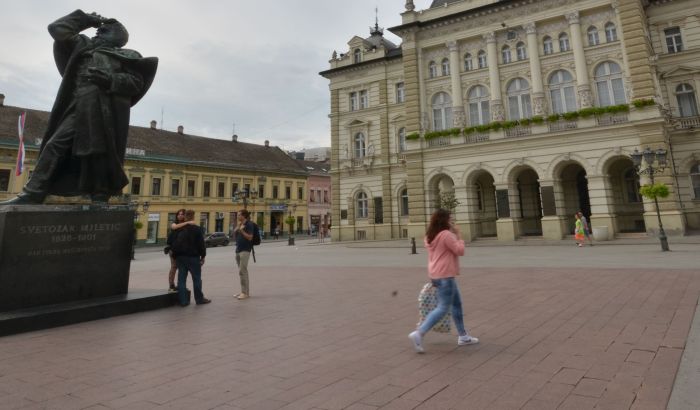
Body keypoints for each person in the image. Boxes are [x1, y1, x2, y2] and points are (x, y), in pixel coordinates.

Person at [1, 9, 157, 205]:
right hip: (77, 103)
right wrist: (87, 19)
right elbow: (57, 29)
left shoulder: (127, 55)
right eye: (98, 31)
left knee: (98, 151)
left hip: (103, 107)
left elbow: (135, 83)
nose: (97, 33)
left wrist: (110, 79)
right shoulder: (83, 46)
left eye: (104, 31)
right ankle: (34, 191)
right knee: (55, 144)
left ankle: (99, 194)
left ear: (117, 36)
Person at [408, 209, 479, 353]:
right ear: (443, 220)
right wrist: (458, 235)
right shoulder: (446, 235)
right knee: (443, 307)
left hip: (436, 274)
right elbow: (460, 250)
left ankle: (463, 336)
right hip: (445, 275)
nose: (451, 221)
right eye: (450, 218)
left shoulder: (430, 236)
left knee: (456, 304)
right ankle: (419, 333)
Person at [170, 210, 210, 306]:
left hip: (180, 257)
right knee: (196, 279)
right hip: (193, 257)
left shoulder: (179, 228)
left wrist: (175, 255)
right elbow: (201, 244)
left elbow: (173, 242)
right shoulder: (197, 229)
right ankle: (199, 299)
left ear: (185, 217)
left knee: (181, 280)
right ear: (193, 217)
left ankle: (183, 301)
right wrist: (203, 256)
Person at [165, 208, 195, 292]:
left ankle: (180, 285)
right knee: (174, 267)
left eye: (182, 214)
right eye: (179, 214)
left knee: (182, 269)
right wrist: (188, 222)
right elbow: (174, 227)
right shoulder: (175, 223)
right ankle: (171, 285)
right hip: (173, 250)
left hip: (183, 250)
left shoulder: (187, 225)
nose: (180, 215)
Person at [233, 209, 254, 300]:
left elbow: (250, 237)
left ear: (243, 216)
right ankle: (243, 291)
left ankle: (245, 293)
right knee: (241, 271)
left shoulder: (249, 224)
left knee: (243, 271)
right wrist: (236, 230)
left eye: (239, 215)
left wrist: (241, 231)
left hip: (245, 250)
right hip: (238, 250)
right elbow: (235, 237)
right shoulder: (240, 224)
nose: (237, 216)